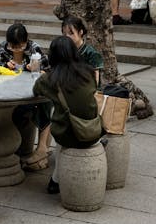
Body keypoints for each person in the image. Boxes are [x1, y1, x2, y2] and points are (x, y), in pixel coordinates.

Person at [33, 34, 104, 194]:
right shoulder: (88, 72)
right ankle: (56, 179)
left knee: (62, 126)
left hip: (69, 134)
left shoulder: (50, 80)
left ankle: (56, 180)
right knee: (68, 118)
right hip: (94, 129)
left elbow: (35, 90)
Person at [0, 22, 52, 170]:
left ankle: (42, 149)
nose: (16, 49)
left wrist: (34, 70)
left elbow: (48, 73)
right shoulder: (3, 49)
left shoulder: (34, 50)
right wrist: (4, 67)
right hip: (8, 91)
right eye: (13, 46)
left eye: (20, 46)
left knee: (45, 103)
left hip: (32, 91)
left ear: (26, 41)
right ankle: (6, 147)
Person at [60, 14, 104, 85]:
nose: (67, 37)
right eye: (64, 34)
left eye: (71, 33)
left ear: (81, 32)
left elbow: (95, 82)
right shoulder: (62, 49)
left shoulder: (91, 54)